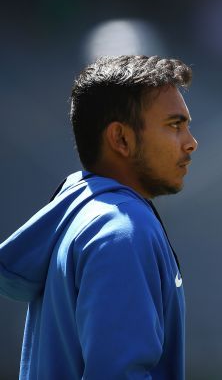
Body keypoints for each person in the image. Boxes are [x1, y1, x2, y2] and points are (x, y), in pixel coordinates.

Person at [0, 55, 198, 379]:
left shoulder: (80, 214)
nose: (191, 142)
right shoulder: (122, 232)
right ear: (121, 138)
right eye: (174, 125)